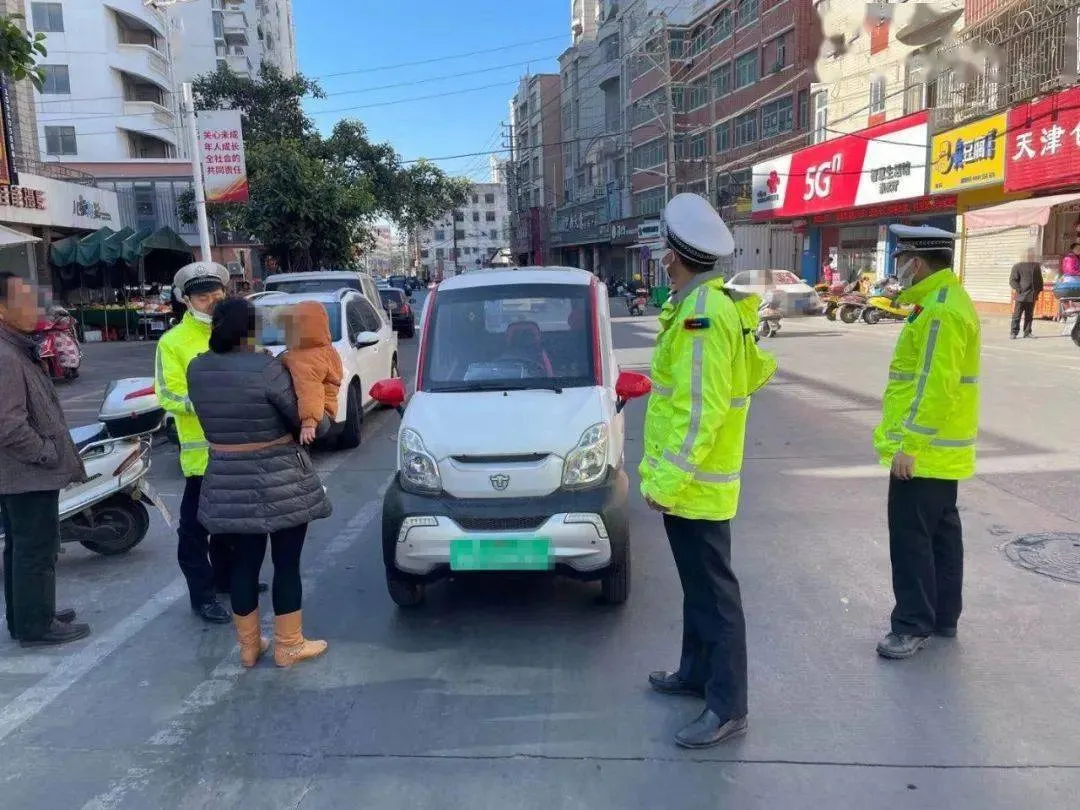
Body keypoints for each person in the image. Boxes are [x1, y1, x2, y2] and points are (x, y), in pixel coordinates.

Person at [640, 194, 777, 749]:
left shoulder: (702, 315)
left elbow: (702, 410)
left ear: (674, 256)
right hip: (690, 487)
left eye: (661, 247)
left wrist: (666, 481)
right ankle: (695, 674)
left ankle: (727, 706)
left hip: (695, 484)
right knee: (697, 591)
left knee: (716, 597)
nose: (657, 255)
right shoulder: (696, 305)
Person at [186, 297, 332, 668]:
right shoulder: (266, 369)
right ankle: (289, 645)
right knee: (286, 564)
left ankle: (249, 647)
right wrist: (325, 409)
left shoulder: (197, 369)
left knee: (243, 565)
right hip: (280, 480)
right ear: (250, 329)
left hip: (226, 479)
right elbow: (301, 422)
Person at [872, 225, 980, 660]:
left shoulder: (939, 310)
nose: (900, 270)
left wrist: (910, 445)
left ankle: (912, 623)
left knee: (912, 539)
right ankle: (943, 617)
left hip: (925, 454)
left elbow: (935, 385)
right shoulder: (945, 301)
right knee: (941, 536)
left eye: (902, 261)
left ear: (917, 262)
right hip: (941, 452)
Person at [0, 272, 91, 646]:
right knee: (35, 548)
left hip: (24, 473)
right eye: (24, 299)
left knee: (23, 547)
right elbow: (8, 425)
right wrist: (45, 454)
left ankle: (27, 616)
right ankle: (36, 626)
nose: (35, 306)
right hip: (26, 473)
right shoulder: (5, 356)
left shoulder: (17, 347)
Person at [155, 262, 245, 625]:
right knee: (195, 531)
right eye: (202, 296)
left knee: (233, 526)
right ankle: (202, 596)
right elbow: (169, 394)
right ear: (186, 300)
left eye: (216, 294)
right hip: (202, 456)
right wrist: (210, 400)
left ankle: (226, 581)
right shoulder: (173, 341)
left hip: (240, 450)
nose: (210, 301)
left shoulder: (238, 334)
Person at [280, 301, 343, 446]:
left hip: (316, 415)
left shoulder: (307, 358)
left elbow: (310, 388)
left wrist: (309, 422)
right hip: (325, 412)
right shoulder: (326, 351)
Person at [1009, 249, 1044, 339]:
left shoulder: (1036, 266)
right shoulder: (1017, 266)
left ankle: (1027, 332)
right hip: (1021, 296)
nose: (1030, 256)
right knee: (1017, 315)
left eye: (1032, 255)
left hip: (1032, 295)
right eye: (1029, 255)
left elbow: (1039, 280)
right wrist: (1019, 289)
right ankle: (1014, 332)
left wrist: (1038, 291)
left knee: (1029, 315)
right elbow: (1012, 281)